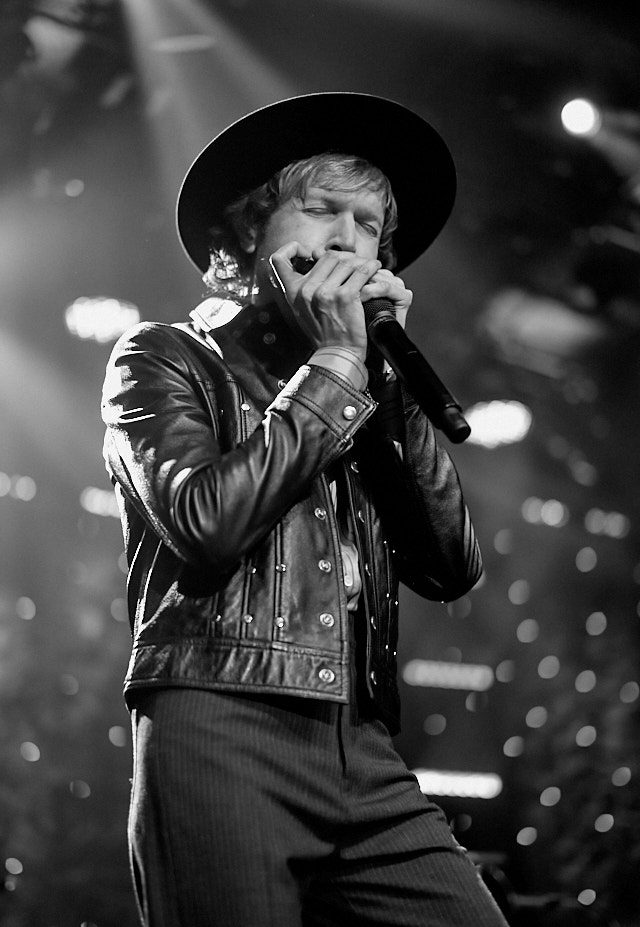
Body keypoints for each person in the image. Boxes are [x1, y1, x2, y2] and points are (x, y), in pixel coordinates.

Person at [101, 92, 509, 927]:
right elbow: (207, 521)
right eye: (320, 210)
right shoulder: (165, 356)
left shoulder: (362, 379)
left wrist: (380, 380)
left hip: (361, 741)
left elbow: (450, 564)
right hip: (221, 722)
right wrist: (332, 363)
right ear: (251, 229)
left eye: (367, 225)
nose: (345, 240)